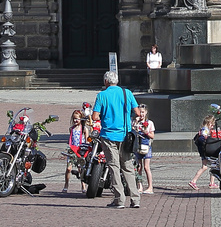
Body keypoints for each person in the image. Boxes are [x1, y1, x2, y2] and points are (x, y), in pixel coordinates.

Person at [89, 69, 140, 209]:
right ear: (117, 81)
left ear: (106, 81)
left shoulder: (102, 95)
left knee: (114, 166)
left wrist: (105, 116)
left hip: (109, 135)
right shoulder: (127, 93)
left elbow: (95, 117)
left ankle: (119, 199)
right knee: (128, 166)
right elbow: (137, 112)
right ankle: (135, 199)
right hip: (125, 135)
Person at [187, 112, 220, 189]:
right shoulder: (205, 130)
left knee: (213, 165)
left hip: (203, 151)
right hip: (205, 151)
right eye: (212, 125)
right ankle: (193, 181)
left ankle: (212, 183)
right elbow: (203, 139)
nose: (212, 126)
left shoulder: (203, 129)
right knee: (205, 167)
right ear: (209, 123)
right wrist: (208, 139)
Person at [63, 109, 89, 190]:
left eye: (77, 118)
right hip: (72, 150)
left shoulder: (84, 129)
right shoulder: (71, 129)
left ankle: (83, 186)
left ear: (81, 119)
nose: (75, 120)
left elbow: (87, 141)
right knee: (68, 168)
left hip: (80, 151)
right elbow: (70, 140)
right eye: (74, 118)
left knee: (81, 169)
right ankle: (66, 184)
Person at [133, 106, 155, 195]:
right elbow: (131, 130)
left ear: (146, 112)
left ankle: (150, 187)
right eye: (140, 112)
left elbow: (152, 136)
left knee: (146, 167)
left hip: (146, 146)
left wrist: (146, 132)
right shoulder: (135, 122)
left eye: (143, 112)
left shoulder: (149, 123)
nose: (141, 114)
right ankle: (140, 186)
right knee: (138, 167)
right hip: (137, 146)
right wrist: (135, 123)